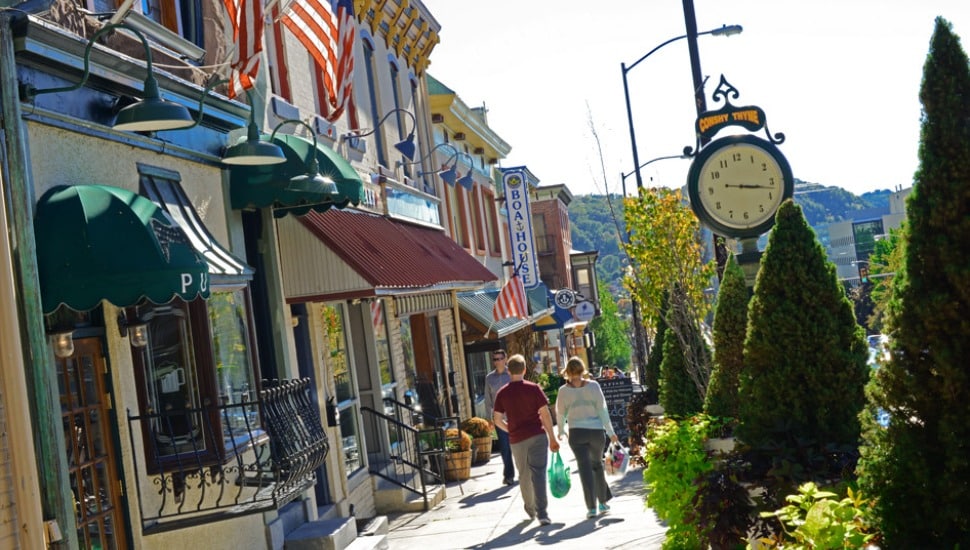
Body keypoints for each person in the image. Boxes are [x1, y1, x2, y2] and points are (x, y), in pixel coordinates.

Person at [493, 354, 560, 525]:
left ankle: (530, 508)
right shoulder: (534, 389)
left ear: (508, 371)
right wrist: (552, 437)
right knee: (538, 473)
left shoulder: (503, 393)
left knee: (524, 474)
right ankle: (543, 513)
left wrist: (510, 429)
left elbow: (497, 419)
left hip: (517, 439)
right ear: (524, 369)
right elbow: (545, 414)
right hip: (537, 435)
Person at [556, 356, 620, 519]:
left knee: (584, 469)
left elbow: (561, 413)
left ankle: (591, 507)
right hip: (596, 432)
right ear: (582, 370)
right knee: (597, 466)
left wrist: (561, 430)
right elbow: (602, 411)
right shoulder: (594, 386)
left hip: (576, 432)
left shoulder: (563, 391)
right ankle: (603, 503)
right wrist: (611, 432)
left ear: (568, 372)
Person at [484, 348, 515, 485]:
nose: (497, 362)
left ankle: (524, 470)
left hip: (515, 416)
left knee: (518, 446)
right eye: (495, 359)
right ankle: (509, 475)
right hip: (499, 418)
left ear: (505, 359)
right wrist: (488, 418)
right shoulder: (489, 378)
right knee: (504, 447)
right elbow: (488, 399)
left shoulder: (512, 374)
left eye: (500, 359)